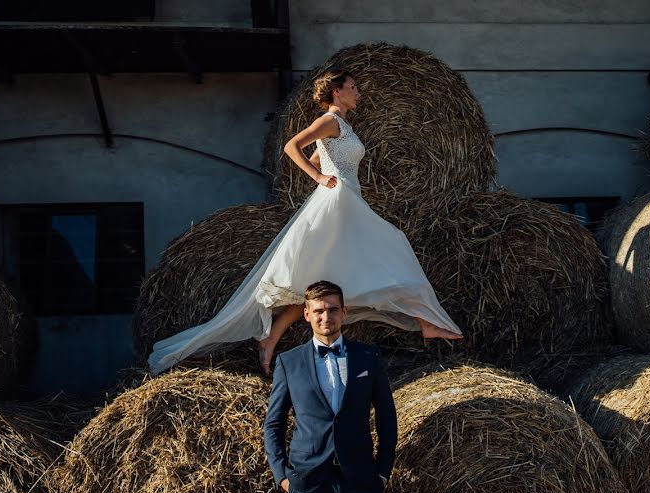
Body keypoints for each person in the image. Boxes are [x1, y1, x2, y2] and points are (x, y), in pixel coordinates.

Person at [147, 68, 461, 376]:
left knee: (323, 281)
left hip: (347, 201)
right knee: (392, 245)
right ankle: (425, 322)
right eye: (353, 87)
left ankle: (270, 338)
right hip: (338, 201)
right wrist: (320, 177)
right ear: (337, 91)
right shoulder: (328, 120)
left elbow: (317, 155)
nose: (358, 93)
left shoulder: (343, 126)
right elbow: (291, 147)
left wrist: (322, 165)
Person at [264, 280, 406, 493]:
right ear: (306, 314)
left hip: (360, 481)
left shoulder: (367, 357)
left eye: (331, 309)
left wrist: (383, 470)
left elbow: (386, 416)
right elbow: (273, 423)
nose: (325, 316)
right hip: (309, 481)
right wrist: (282, 475)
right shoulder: (290, 362)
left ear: (344, 312)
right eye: (318, 310)